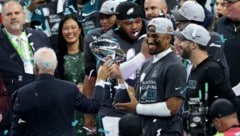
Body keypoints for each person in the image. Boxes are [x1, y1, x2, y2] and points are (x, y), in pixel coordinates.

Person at [10, 47, 110, 136]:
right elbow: (93, 107)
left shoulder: (22, 94)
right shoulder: (69, 89)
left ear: (35, 67)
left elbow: (16, 131)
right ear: (56, 64)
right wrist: (100, 80)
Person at [115, 17, 187, 136]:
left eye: (155, 36)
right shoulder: (146, 65)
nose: (150, 40)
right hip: (147, 130)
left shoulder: (174, 66)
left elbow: (172, 108)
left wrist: (137, 108)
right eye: (148, 36)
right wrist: (120, 80)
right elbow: (140, 99)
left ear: (168, 38)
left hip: (167, 131)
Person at [173, 23, 239, 135]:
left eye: (183, 41)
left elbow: (231, 101)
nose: (178, 44)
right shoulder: (195, 68)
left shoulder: (211, 69)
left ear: (193, 45)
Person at [0, 1, 51, 134]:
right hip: (12, 114)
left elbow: (53, 71)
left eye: (17, 13)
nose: (13, 16)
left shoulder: (41, 37)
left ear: (23, 15)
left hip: (44, 108)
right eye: (9, 14)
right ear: (2, 17)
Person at [56, 14, 87, 135]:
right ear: (61, 32)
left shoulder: (91, 53)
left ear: (79, 30)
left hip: (90, 108)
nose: (70, 31)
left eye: (73, 27)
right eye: (66, 28)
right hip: (67, 111)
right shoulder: (56, 57)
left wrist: (87, 87)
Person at [214, 0, 240, 87]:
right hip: (222, 86)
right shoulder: (220, 24)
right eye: (226, 2)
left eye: (231, 2)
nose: (227, 5)